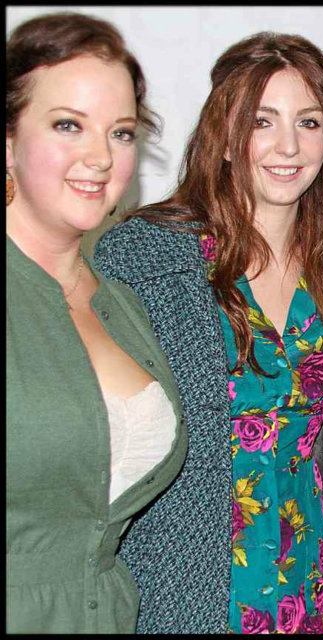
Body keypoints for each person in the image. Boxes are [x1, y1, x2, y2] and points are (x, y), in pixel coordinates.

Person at [94, 32, 323, 634]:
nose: (289, 146)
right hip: (185, 588)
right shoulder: (146, 259)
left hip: (315, 589)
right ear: (225, 138)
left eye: (309, 122)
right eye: (263, 120)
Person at [5, 12, 187, 634]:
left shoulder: (124, 307)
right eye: (67, 125)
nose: (100, 157)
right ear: (7, 140)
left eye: (122, 132)